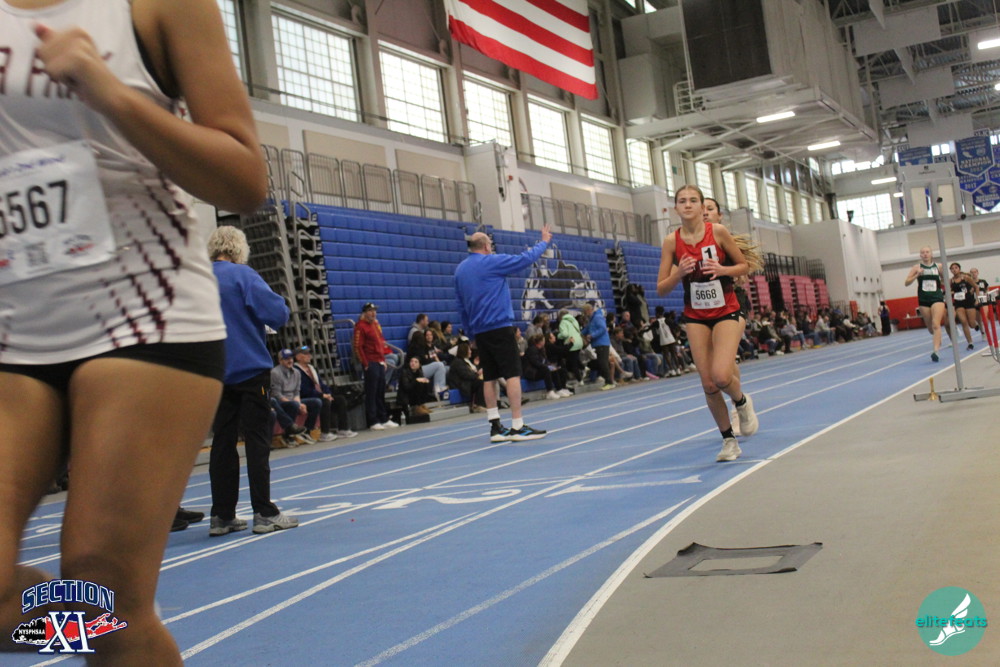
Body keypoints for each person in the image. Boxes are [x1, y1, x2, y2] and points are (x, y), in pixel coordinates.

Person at [0, 2, 266, 661]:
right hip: (14, 325)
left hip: (143, 313)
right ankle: (111, 628)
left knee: (104, 588)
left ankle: (117, 623)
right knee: (94, 616)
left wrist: (109, 91)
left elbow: (244, 179)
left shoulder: (159, 6)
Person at [208, 227, 299, 539]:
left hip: (215, 373)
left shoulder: (199, 278)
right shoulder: (243, 276)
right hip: (249, 370)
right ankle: (264, 511)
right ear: (238, 249)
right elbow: (278, 314)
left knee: (222, 443)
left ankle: (221, 515)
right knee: (257, 441)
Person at [657, 185, 759, 463]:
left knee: (722, 376)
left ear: (702, 207)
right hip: (696, 316)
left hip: (726, 310)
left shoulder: (719, 233)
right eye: (682, 201)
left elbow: (743, 266)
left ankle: (742, 402)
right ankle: (729, 440)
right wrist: (679, 273)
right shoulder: (671, 242)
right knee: (709, 384)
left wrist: (723, 270)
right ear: (675, 208)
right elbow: (661, 288)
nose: (687, 205)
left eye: (693, 200)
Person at [455, 226, 552, 442]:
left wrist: (471, 335)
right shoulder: (491, 262)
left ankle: (495, 426)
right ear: (486, 246)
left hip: (480, 331)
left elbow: (461, 306)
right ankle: (517, 425)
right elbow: (524, 259)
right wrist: (543, 242)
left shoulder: (460, 270)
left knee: (489, 377)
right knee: (512, 375)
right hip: (499, 326)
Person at [294, 345, 358, 441]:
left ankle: (343, 429)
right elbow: (303, 389)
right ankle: (325, 432)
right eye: (306, 354)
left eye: (309, 353)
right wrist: (321, 395)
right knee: (324, 402)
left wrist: (328, 393)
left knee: (340, 399)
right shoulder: (296, 371)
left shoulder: (312, 368)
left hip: (320, 395)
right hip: (307, 396)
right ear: (298, 357)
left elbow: (321, 384)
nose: (309, 355)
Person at [353, 303, 399, 430]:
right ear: (365, 313)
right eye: (370, 311)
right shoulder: (360, 326)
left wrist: (383, 360)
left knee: (380, 391)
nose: (373, 313)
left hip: (379, 361)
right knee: (372, 392)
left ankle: (383, 418)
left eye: (374, 311)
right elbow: (358, 347)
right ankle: (373, 420)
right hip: (370, 361)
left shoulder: (375, 325)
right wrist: (365, 363)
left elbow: (380, 344)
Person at [904, 246, 948, 362]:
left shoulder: (938, 266)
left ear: (931, 254)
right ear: (920, 255)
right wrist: (916, 275)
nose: (925, 254)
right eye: (922, 252)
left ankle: (935, 351)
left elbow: (946, 281)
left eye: (927, 252)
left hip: (937, 297)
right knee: (930, 328)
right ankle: (937, 338)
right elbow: (906, 283)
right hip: (924, 299)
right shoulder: (916, 267)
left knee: (935, 324)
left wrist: (943, 279)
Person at [271, 349, 319, 442]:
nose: (290, 361)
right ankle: (289, 433)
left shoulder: (297, 372)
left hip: (293, 400)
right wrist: (297, 404)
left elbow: (297, 392)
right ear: (280, 361)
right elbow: (277, 394)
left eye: (291, 358)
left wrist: (299, 403)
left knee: (316, 402)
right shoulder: (275, 373)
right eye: (286, 359)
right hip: (280, 401)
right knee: (293, 404)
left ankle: (306, 431)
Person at [447, 342, 487, 413]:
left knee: (485, 380)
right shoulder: (458, 362)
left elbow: (471, 373)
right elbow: (466, 375)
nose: (471, 352)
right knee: (480, 383)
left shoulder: (465, 361)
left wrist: (476, 367)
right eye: (469, 350)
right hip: (461, 385)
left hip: (466, 382)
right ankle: (478, 405)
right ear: (464, 351)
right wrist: (477, 374)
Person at [948, 262, 978, 351]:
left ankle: (975, 325)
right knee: (963, 322)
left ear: (959, 269)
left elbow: (976, 287)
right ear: (950, 271)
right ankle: (970, 343)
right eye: (952, 268)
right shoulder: (951, 281)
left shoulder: (966, 278)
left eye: (956, 268)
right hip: (958, 303)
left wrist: (977, 299)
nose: (954, 270)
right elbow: (949, 291)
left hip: (969, 301)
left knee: (971, 324)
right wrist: (951, 293)